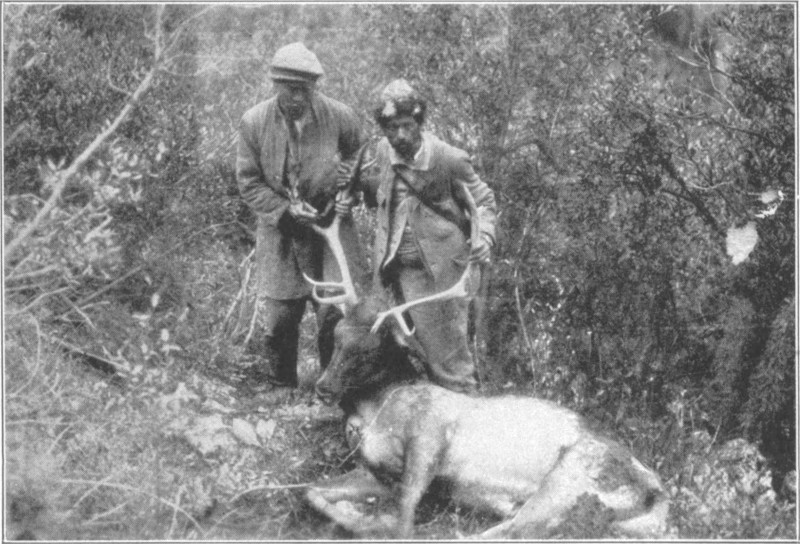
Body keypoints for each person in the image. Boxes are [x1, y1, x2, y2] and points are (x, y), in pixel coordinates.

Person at [345, 79, 497, 393]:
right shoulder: (384, 151)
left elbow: (484, 202)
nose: (399, 135)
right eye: (391, 128)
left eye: (406, 126)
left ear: (419, 123)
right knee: (409, 349)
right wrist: (355, 192)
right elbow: (388, 195)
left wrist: (484, 237)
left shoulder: (448, 159)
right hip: (394, 270)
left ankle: (465, 416)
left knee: (448, 359)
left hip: (440, 272)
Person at [236, 42, 364, 402]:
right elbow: (248, 182)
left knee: (334, 312)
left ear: (314, 88)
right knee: (280, 313)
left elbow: (360, 154)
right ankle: (281, 385)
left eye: (305, 89)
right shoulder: (254, 122)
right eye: (290, 88)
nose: (297, 97)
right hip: (281, 229)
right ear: (275, 85)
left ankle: (333, 390)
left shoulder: (340, 116)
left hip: (332, 231)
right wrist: (283, 211)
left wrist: (347, 183)